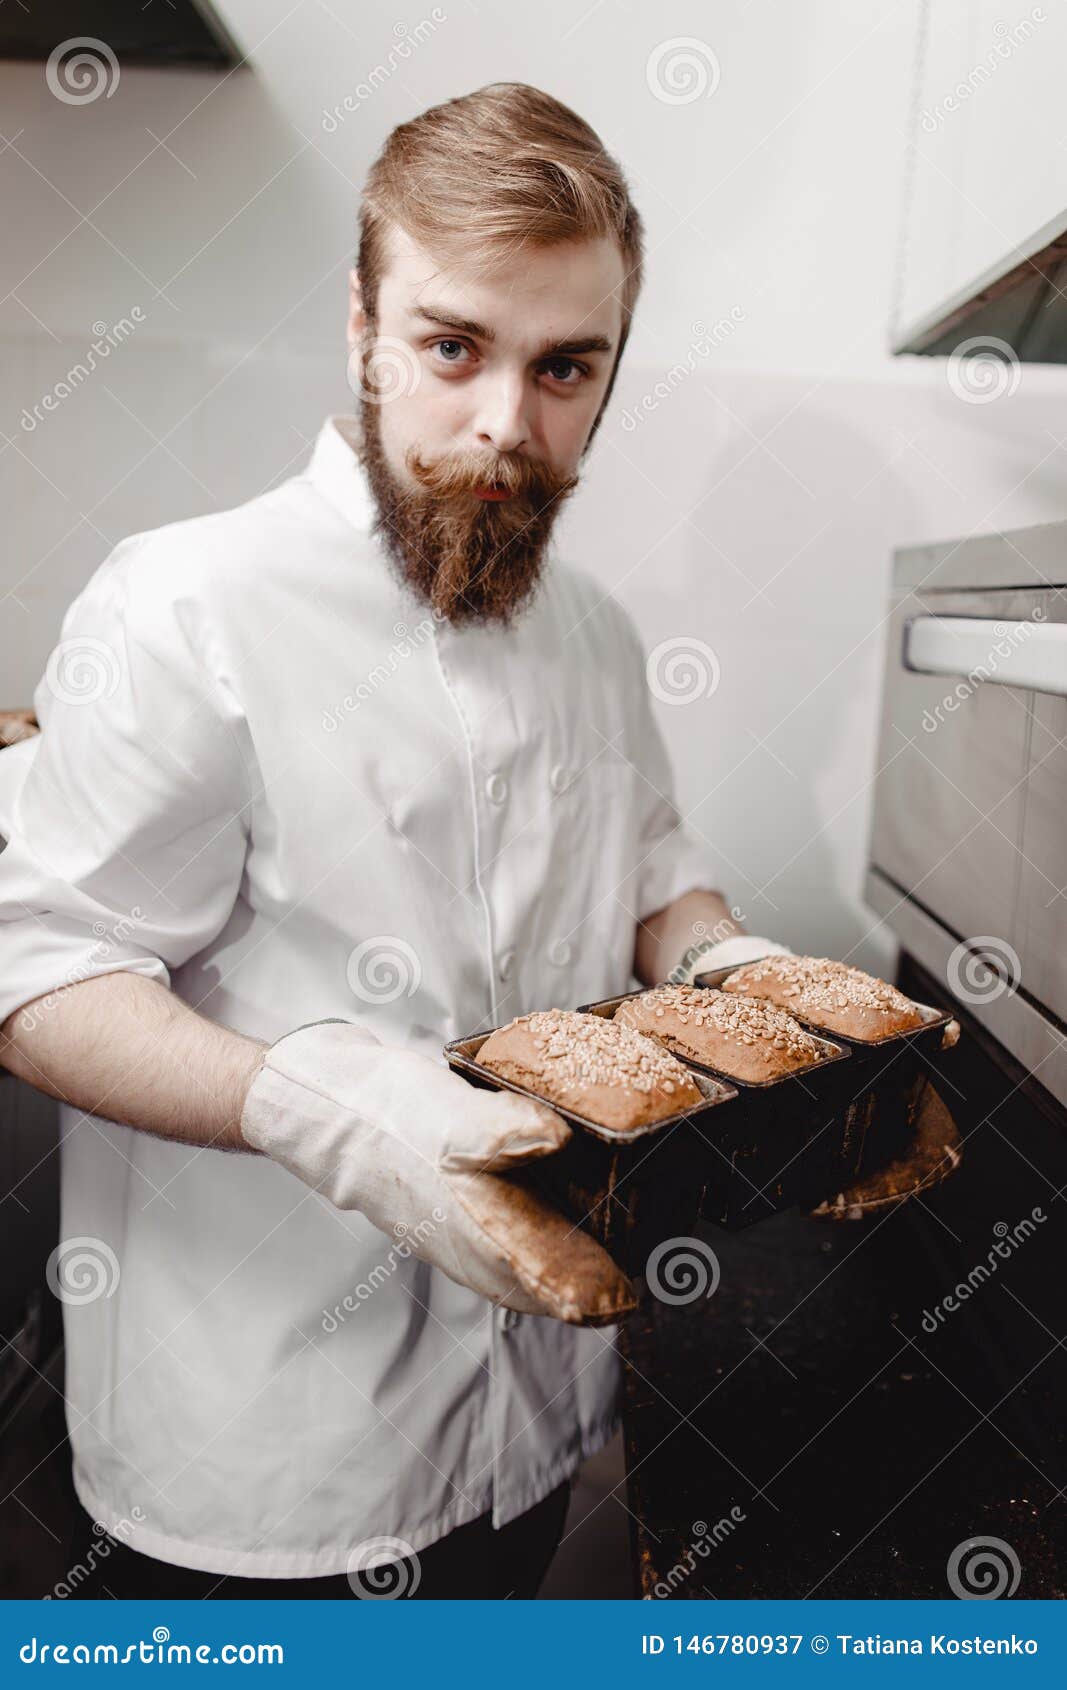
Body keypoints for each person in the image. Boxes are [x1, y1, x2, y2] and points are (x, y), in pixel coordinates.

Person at [0, 83, 774, 1598]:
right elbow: (34, 974)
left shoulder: (600, 637)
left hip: (536, 1423)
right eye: (452, 347)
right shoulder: (183, 607)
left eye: (566, 367)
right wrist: (321, 1110)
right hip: (264, 1473)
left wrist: (727, 961)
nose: (506, 422)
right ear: (361, 321)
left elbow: (652, 885)